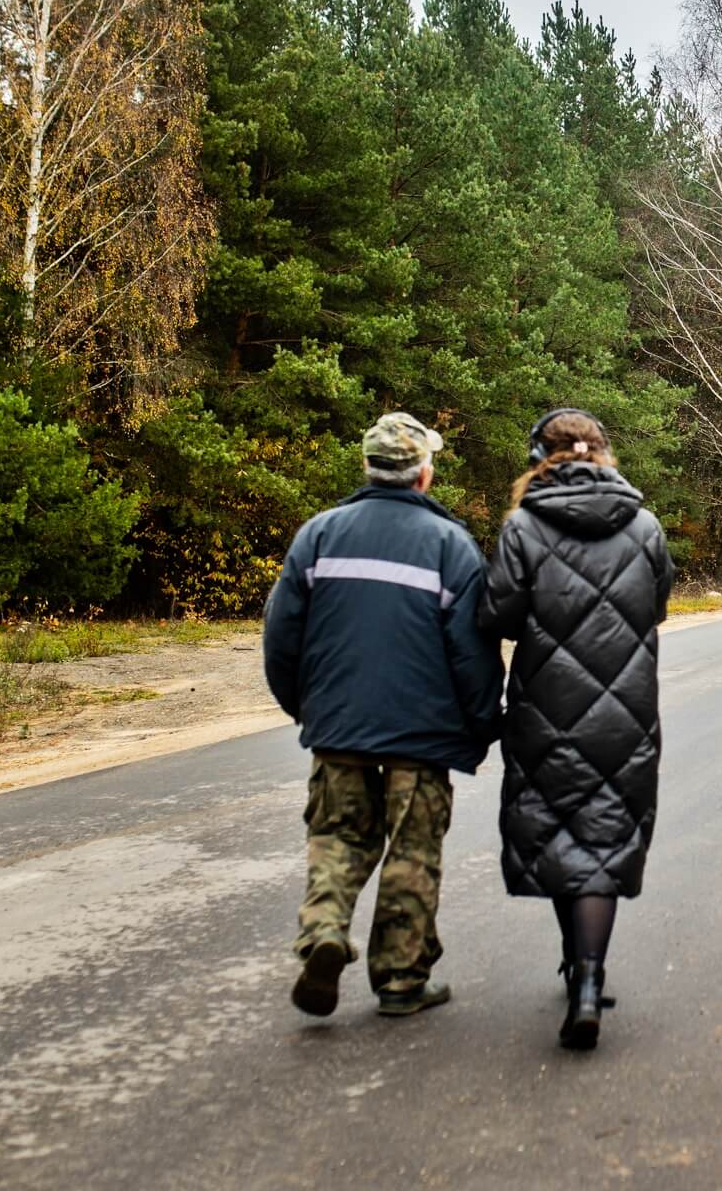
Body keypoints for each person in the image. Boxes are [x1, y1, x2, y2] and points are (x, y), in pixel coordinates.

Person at [263, 411, 502, 1019]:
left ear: (367, 467)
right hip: (423, 736)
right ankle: (400, 980)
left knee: (337, 836)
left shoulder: (318, 535)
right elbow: (472, 653)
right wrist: (482, 724)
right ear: (423, 474)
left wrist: (307, 710)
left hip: (338, 726)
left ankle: (324, 931)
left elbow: (281, 637)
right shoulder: (450, 546)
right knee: (413, 852)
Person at [479, 408, 673, 1049]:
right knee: (603, 837)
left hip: (545, 707)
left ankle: (576, 970)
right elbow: (657, 606)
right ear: (604, 454)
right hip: (626, 712)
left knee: (562, 832)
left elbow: (499, 615)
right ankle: (588, 978)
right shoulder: (644, 526)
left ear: (541, 457)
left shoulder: (523, 527)